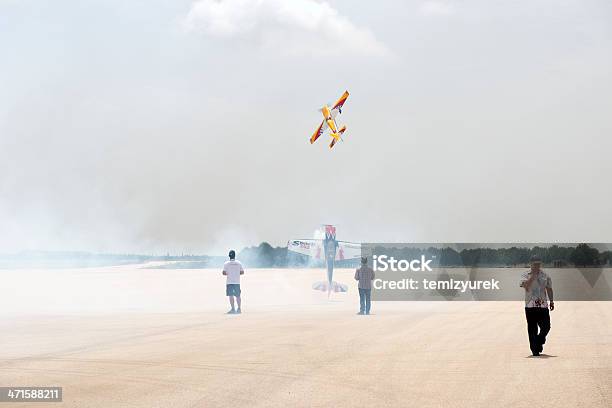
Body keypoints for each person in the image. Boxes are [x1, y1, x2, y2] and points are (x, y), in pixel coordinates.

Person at [520, 255, 554, 356]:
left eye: (538, 264)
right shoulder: (525, 275)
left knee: (546, 327)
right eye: (535, 264)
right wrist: (533, 277)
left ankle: (539, 341)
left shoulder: (545, 275)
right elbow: (524, 285)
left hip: (543, 305)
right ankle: (534, 350)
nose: (537, 266)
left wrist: (551, 301)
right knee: (532, 328)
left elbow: (549, 288)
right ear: (531, 264)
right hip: (530, 306)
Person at [222, 250, 244, 314]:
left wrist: (229, 273)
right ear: (235, 255)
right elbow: (242, 272)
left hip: (229, 282)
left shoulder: (226, 263)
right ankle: (239, 309)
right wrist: (236, 273)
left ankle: (233, 309)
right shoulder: (239, 263)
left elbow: (223, 273)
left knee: (231, 295)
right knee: (238, 295)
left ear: (229, 256)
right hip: (237, 282)